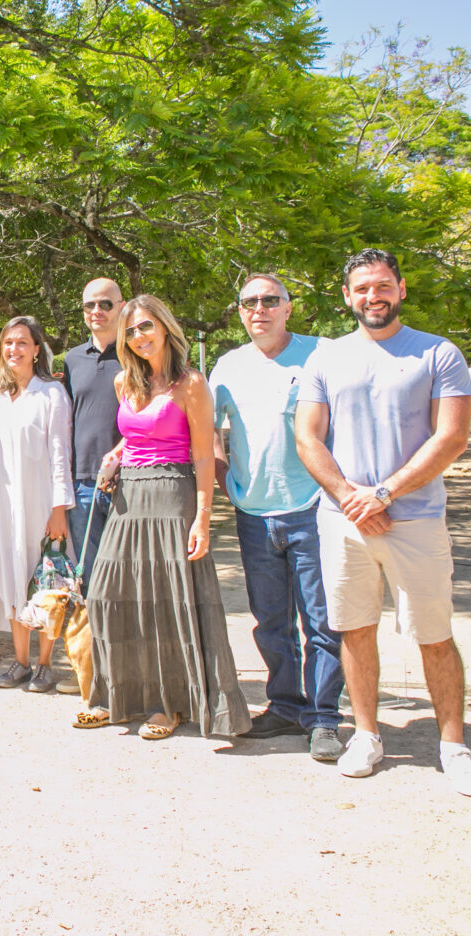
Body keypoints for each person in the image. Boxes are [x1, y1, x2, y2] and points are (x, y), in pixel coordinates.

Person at [296, 248, 471, 798]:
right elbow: (308, 437)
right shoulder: (327, 358)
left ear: (401, 289)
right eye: (362, 289)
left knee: (434, 634)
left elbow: (451, 437)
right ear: (347, 296)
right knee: (355, 630)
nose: (372, 297)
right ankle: (366, 735)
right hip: (344, 522)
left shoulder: (438, 353)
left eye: (382, 286)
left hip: (416, 520)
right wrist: (350, 498)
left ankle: (454, 746)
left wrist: (384, 494)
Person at [78, 295, 249, 740]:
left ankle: (168, 705)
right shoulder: (124, 383)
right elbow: (134, 436)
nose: (138, 337)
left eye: (146, 327)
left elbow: (203, 453)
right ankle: (113, 696)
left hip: (174, 494)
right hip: (127, 495)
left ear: (166, 329)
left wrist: (204, 518)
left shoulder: (190, 383)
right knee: (106, 594)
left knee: (166, 602)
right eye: (131, 330)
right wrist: (115, 455)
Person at [210, 275, 343, 761]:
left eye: (270, 300)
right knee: (270, 621)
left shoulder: (323, 354)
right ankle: (285, 706)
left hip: (313, 508)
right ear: (240, 311)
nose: (259, 309)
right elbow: (206, 431)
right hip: (253, 513)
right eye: (249, 302)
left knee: (322, 621)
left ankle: (324, 718)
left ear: (289, 307)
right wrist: (228, 483)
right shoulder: (227, 366)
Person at [0, 316, 74, 692]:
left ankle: (45, 664)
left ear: (37, 349)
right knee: (10, 575)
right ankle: (19, 661)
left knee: (43, 581)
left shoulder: (51, 394)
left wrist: (59, 508)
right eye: (7, 343)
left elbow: (60, 453)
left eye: (22, 342)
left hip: (39, 501)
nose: (13, 349)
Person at [62, 279, 123, 589]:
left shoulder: (137, 354)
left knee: (127, 570)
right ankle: (95, 639)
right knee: (89, 577)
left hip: (128, 482)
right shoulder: (71, 360)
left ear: (122, 307)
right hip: (82, 483)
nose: (96, 311)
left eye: (105, 304)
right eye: (89, 305)